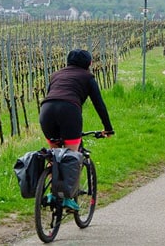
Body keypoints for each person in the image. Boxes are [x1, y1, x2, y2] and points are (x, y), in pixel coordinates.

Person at [39, 49, 114, 211]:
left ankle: (53, 194)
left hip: (46, 111)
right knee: (72, 157)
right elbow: (99, 105)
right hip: (69, 112)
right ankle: (67, 198)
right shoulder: (88, 77)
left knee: (54, 156)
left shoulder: (56, 75)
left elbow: (52, 95)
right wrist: (108, 128)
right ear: (89, 64)